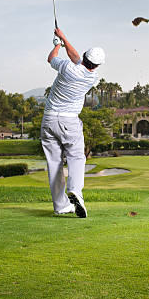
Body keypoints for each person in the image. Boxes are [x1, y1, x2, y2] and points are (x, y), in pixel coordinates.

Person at [40, 28, 105, 218]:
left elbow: (51, 58)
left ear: (84, 57)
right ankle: (75, 190)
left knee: (54, 163)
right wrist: (64, 38)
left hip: (49, 119)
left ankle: (60, 206)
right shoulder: (92, 77)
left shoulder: (67, 67)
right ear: (97, 65)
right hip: (69, 122)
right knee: (76, 157)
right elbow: (77, 57)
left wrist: (58, 45)